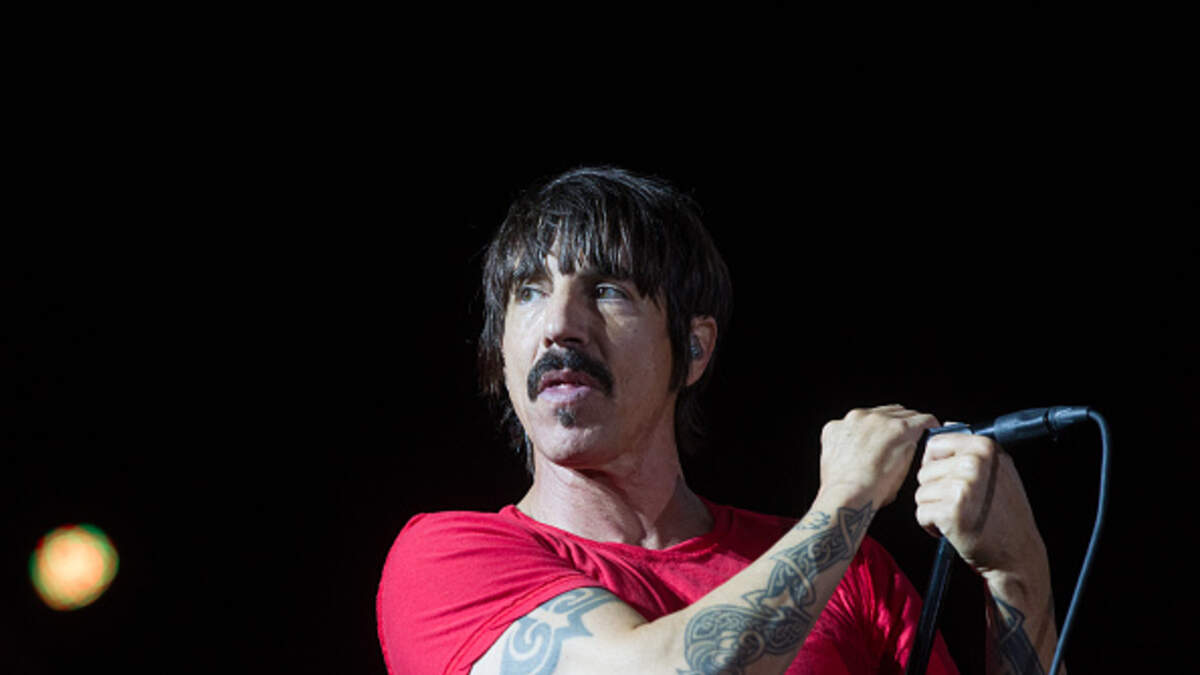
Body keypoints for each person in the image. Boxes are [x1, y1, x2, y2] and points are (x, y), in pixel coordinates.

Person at [376, 166, 1062, 674]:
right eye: (529, 293)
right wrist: (847, 499)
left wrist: (1018, 573)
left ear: (694, 348)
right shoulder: (444, 562)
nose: (558, 324)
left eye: (607, 290)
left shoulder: (854, 574)